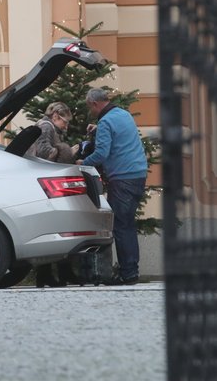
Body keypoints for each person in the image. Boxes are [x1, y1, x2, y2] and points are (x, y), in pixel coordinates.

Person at [77, 88, 148, 285]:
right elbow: (120, 135)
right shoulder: (122, 114)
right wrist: (98, 129)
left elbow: (101, 154)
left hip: (122, 179)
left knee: (121, 226)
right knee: (128, 225)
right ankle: (131, 270)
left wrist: (83, 163)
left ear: (94, 103)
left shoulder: (106, 121)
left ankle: (128, 273)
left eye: (89, 107)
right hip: (138, 175)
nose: (90, 111)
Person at [24, 101, 76, 287]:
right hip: (44, 181)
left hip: (41, 181)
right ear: (55, 116)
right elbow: (45, 152)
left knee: (51, 226)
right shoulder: (46, 127)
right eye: (65, 121)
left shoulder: (46, 126)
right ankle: (48, 275)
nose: (66, 126)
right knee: (51, 226)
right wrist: (66, 150)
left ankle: (50, 275)